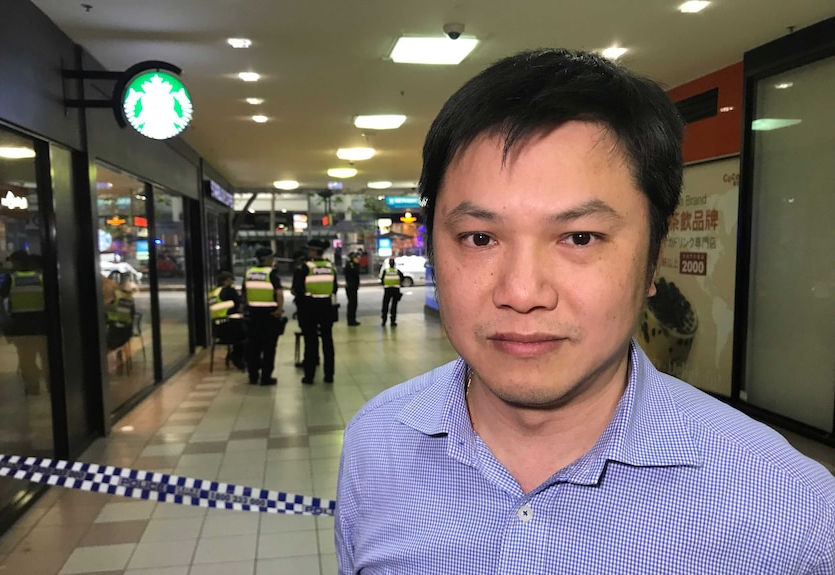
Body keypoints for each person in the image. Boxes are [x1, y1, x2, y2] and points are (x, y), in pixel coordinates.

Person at [335, 49, 835, 573]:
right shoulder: (378, 440)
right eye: (479, 237)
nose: (522, 292)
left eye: (579, 237)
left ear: (654, 254)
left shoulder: (790, 512)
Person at [0, 250, 47, 395]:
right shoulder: (41, 277)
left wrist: (4, 317)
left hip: (21, 324)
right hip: (41, 322)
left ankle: (32, 386)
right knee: (45, 355)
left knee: (26, 357)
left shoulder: (11, 279)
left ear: (19, 262)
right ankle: (51, 385)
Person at [291, 238, 337, 384]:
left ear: (314, 251)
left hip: (309, 309)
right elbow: (334, 288)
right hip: (327, 307)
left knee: (310, 342)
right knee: (327, 341)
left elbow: (297, 290)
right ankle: (329, 375)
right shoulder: (330, 267)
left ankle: (309, 376)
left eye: (309, 249)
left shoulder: (305, 267)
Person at [242, 248, 284, 385]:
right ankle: (266, 377)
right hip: (269, 314)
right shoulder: (271, 273)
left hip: (253, 314)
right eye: (272, 258)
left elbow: (244, 293)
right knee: (269, 347)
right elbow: (279, 293)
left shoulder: (249, 273)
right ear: (266, 259)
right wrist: (279, 309)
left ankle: (252, 376)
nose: (273, 260)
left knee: (253, 346)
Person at [208, 270, 246, 371]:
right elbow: (238, 307)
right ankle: (237, 357)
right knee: (249, 333)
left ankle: (233, 355)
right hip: (230, 327)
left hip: (217, 328)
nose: (232, 283)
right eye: (231, 280)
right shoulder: (229, 291)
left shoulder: (213, 291)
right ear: (227, 280)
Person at [379, 257, 404, 327]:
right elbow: (402, 278)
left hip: (387, 290)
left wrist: (385, 284)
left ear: (389, 264)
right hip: (396, 290)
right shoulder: (397, 271)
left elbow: (382, 280)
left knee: (385, 305)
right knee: (394, 306)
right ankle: (393, 321)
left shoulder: (385, 271)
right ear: (394, 264)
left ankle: (384, 321)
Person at [343, 250, 361, 326]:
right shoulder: (351, 265)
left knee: (353, 304)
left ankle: (352, 319)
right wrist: (356, 265)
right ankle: (351, 320)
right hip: (351, 286)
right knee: (352, 304)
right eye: (356, 257)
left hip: (353, 286)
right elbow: (355, 273)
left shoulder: (352, 264)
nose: (358, 259)